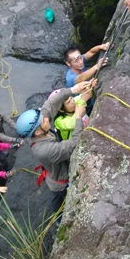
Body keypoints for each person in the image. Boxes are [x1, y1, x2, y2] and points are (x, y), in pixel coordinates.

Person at [15, 81, 89, 216]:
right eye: (44, 121)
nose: (48, 119)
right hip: (59, 182)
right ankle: (58, 217)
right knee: (58, 199)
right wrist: (78, 117)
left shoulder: (38, 127)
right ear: (37, 132)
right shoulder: (44, 150)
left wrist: (73, 89)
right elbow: (72, 145)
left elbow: (49, 104)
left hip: (54, 168)